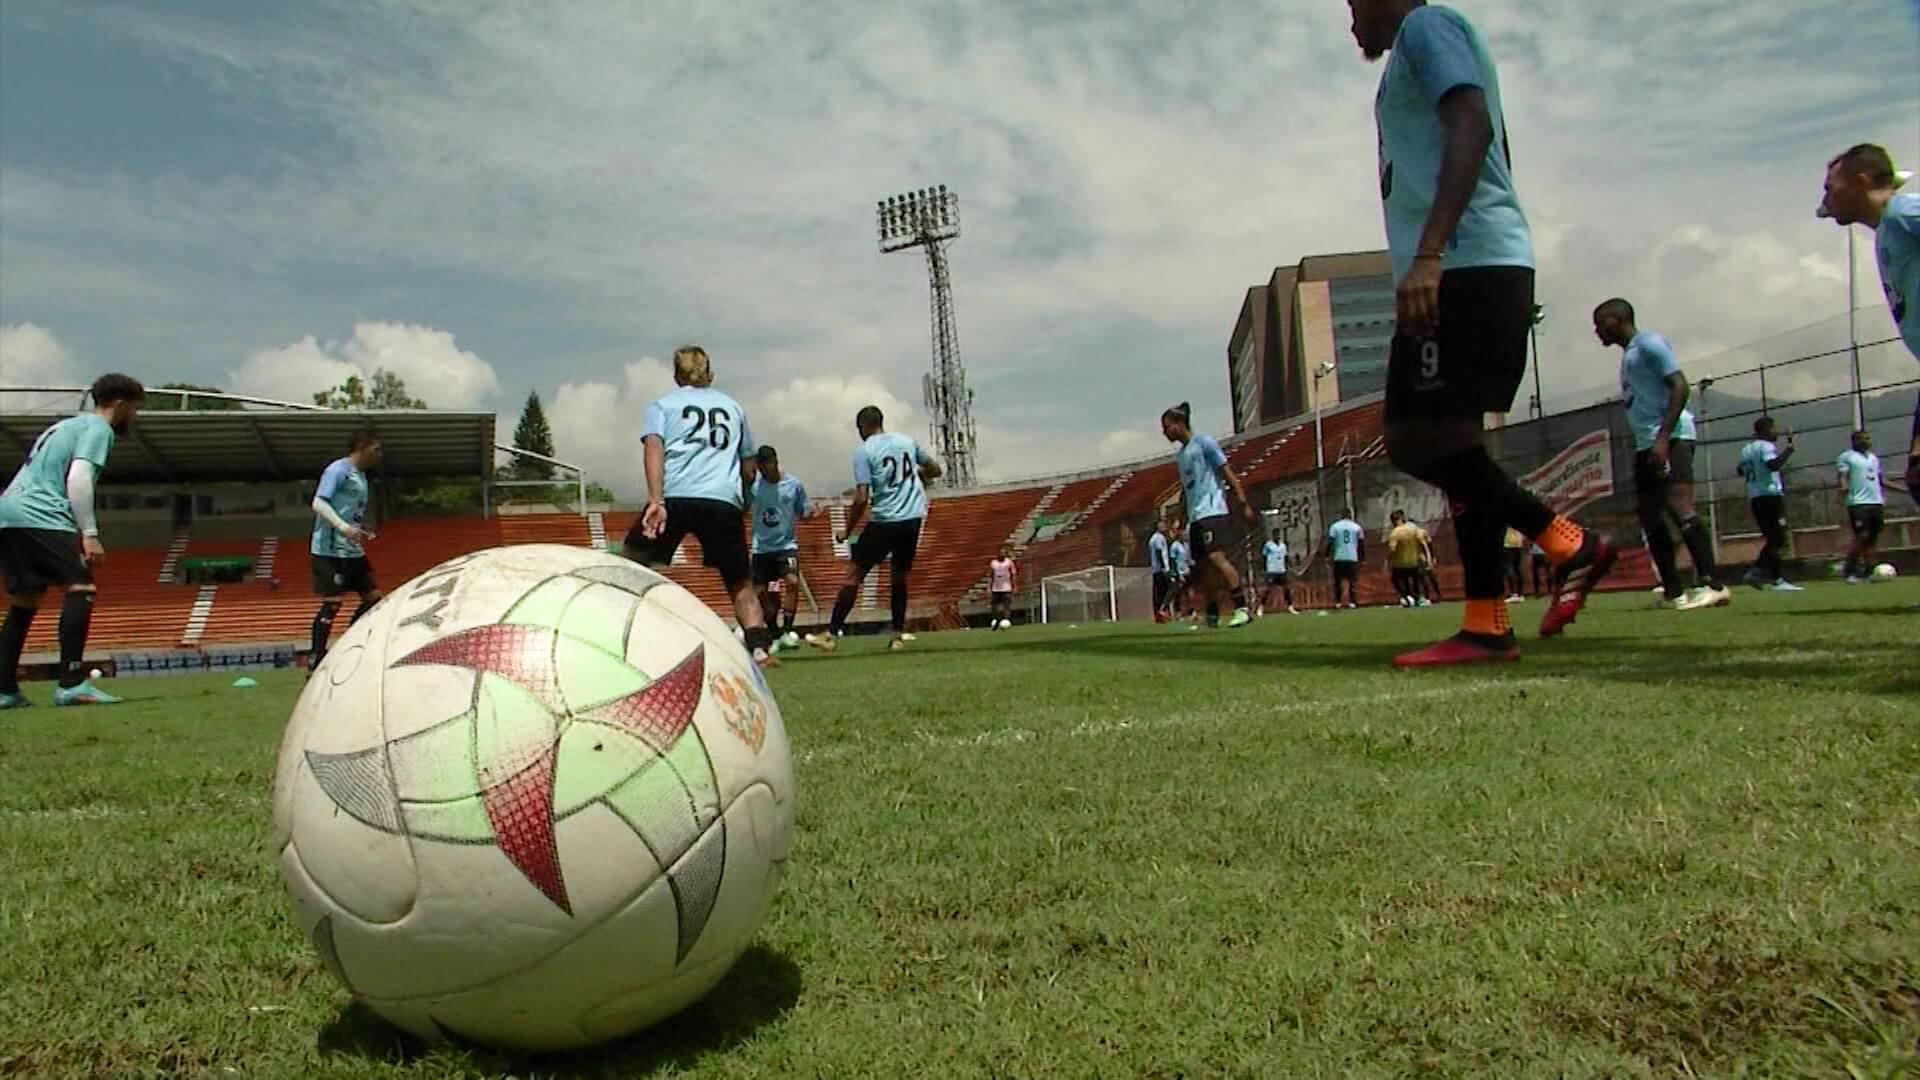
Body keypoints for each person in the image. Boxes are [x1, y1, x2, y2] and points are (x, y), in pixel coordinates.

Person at [1348, 0, 1613, 666]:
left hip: (1466, 264)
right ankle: (1486, 623)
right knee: (1454, 441)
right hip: (1470, 264)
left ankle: (1567, 541)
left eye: (1352, 2)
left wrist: (1431, 253)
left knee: (1416, 436)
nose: (1349, 17)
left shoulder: (1425, 28)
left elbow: (1471, 119)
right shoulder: (1410, 53)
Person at [622, 345, 776, 668]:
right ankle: (760, 650)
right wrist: (744, 499)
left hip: (675, 496)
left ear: (677, 375)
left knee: (631, 563)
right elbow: (749, 465)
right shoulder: (733, 407)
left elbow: (654, 448)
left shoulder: (662, 405)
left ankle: (617, 634)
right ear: (710, 373)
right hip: (722, 499)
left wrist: (655, 499)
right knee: (739, 582)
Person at [0, 374, 145, 708]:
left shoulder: (65, 426)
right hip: (41, 514)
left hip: (10, 512)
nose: (134, 417)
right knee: (82, 587)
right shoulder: (98, 429)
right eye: (135, 409)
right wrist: (90, 535)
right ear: (120, 404)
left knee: (25, 599)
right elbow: (79, 479)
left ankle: (5, 689)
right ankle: (72, 683)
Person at [1594, 299, 1731, 611]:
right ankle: (1673, 591)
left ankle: (1714, 584)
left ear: (1615, 320)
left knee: (1679, 505)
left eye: (1599, 323)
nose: (1596, 331)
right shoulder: (1630, 354)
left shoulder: (1649, 344)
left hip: (1670, 437)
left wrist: (1663, 437)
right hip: (1647, 443)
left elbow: (1679, 385)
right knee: (1649, 514)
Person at [1820, 144, 1918, 507]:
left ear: (1860, 182)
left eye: (1831, 187)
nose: (1827, 197)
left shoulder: (1904, 213)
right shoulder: (1888, 230)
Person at [809, 405, 941, 652]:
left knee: (853, 575)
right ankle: (897, 636)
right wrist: (917, 476)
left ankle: (831, 633)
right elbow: (935, 469)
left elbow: (861, 497)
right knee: (899, 577)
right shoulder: (907, 441)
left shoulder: (864, 451)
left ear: (863, 427)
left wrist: (847, 531)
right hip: (912, 517)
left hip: (885, 519)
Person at [1160, 403, 1259, 629]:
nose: (1164, 432)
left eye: (1166, 427)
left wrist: (1242, 502)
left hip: (1213, 512)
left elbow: (1226, 472)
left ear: (1178, 424)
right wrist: (1181, 518)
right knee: (1202, 567)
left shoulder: (1204, 443)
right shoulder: (1182, 456)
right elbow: (1186, 491)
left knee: (1217, 559)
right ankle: (1212, 612)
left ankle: (1242, 608)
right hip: (1196, 517)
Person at [309, 433, 385, 671]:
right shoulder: (337, 470)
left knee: (373, 599)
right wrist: (342, 527)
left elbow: (349, 511)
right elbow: (319, 503)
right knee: (333, 603)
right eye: (376, 449)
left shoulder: (361, 476)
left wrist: (359, 529)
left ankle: (347, 645)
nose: (379, 454)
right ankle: (317, 657)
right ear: (362, 447)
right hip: (330, 549)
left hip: (352, 548)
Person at [748, 445, 816, 647]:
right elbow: (743, 506)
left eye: (766, 466)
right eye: (761, 468)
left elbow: (803, 511)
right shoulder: (754, 488)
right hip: (762, 547)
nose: (764, 472)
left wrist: (811, 513)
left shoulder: (793, 485)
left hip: (786, 545)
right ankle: (773, 629)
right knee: (760, 592)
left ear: (775, 462)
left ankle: (787, 629)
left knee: (792, 581)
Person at [1738, 417, 1800, 591]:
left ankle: (1775, 578)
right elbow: (1773, 465)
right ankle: (1761, 573)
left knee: (1773, 539)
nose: (1776, 432)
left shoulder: (1746, 450)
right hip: (1770, 496)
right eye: (1773, 429)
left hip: (1755, 497)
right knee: (1778, 538)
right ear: (1765, 431)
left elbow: (1740, 470)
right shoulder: (1765, 446)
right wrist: (1789, 450)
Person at [1837, 430, 1884, 584]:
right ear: (1856, 441)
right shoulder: (1847, 457)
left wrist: (1903, 489)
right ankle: (1849, 570)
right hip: (1858, 502)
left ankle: (1870, 571)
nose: (1869, 441)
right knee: (1861, 536)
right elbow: (1843, 477)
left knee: (1872, 539)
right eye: (1865, 438)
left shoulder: (1873, 458)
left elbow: (1879, 479)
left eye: (1869, 438)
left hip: (1876, 502)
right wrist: (1843, 488)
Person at [1385, 510, 1431, 608]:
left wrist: (1387, 560)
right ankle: (1418, 599)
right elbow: (1423, 544)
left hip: (1400, 563)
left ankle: (1406, 597)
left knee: (1396, 580)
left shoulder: (1395, 533)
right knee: (1416, 581)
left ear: (1393, 520)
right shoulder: (1414, 528)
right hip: (1414, 561)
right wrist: (1428, 557)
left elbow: (1392, 549)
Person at [1326, 511, 1365, 609]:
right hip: (1352, 557)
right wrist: (1362, 558)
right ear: (1350, 516)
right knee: (1352, 581)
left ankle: (1338, 602)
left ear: (1341, 516)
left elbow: (1330, 542)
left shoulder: (1335, 526)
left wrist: (1327, 555)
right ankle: (1353, 602)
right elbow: (1361, 544)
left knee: (1338, 581)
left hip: (1339, 557)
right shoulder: (1357, 527)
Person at [1260, 528, 1298, 615]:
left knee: (1286, 589)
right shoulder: (1268, 545)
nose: (1277, 536)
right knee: (1268, 590)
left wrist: (1289, 566)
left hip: (1281, 570)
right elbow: (1264, 557)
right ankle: (1261, 607)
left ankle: (1290, 607)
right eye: (1275, 534)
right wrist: (1265, 568)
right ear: (1273, 535)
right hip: (1272, 570)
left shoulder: (1283, 545)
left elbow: (1285, 557)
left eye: (1278, 534)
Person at [1148, 520, 1174, 622]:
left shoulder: (1155, 538)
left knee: (1159, 592)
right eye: (1162, 525)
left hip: (1156, 569)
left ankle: (1159, 615)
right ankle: (1162, 610)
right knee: (1173, 587)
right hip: (1160, 569)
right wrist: (1164, 567)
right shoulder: (1158, 538)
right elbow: (1159, 552)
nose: (1164, 527)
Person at [987, 546, 1018, 629]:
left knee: (1006, 605)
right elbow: (991, 575)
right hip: (996, 588)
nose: (1002, 554)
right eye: (1001, 553)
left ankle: (1006, 620)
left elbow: (1013, 575)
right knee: (994, 606)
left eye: (1004, 553)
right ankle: (996, 619)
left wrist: (1014, 586)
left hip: (1007, 587)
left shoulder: (1009, 562)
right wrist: (989, 587)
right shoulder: (993, 563)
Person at [1167, 528, 1192, 621]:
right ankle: (1177, 613)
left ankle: (1190, 612)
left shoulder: (1186, 545)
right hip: (1179, 572)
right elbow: (1173, 561)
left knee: (1188, 592)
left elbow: (1188, 558)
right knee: (1178, 592)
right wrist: (1177, 574)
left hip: (1187, 571)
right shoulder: (1175, 546)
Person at [1501, 526, 1526, 602]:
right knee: (1518, 569)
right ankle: (1521, 595)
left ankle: (1514, 594)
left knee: (1509, 568)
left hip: (1508, 544)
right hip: (1519, 544)